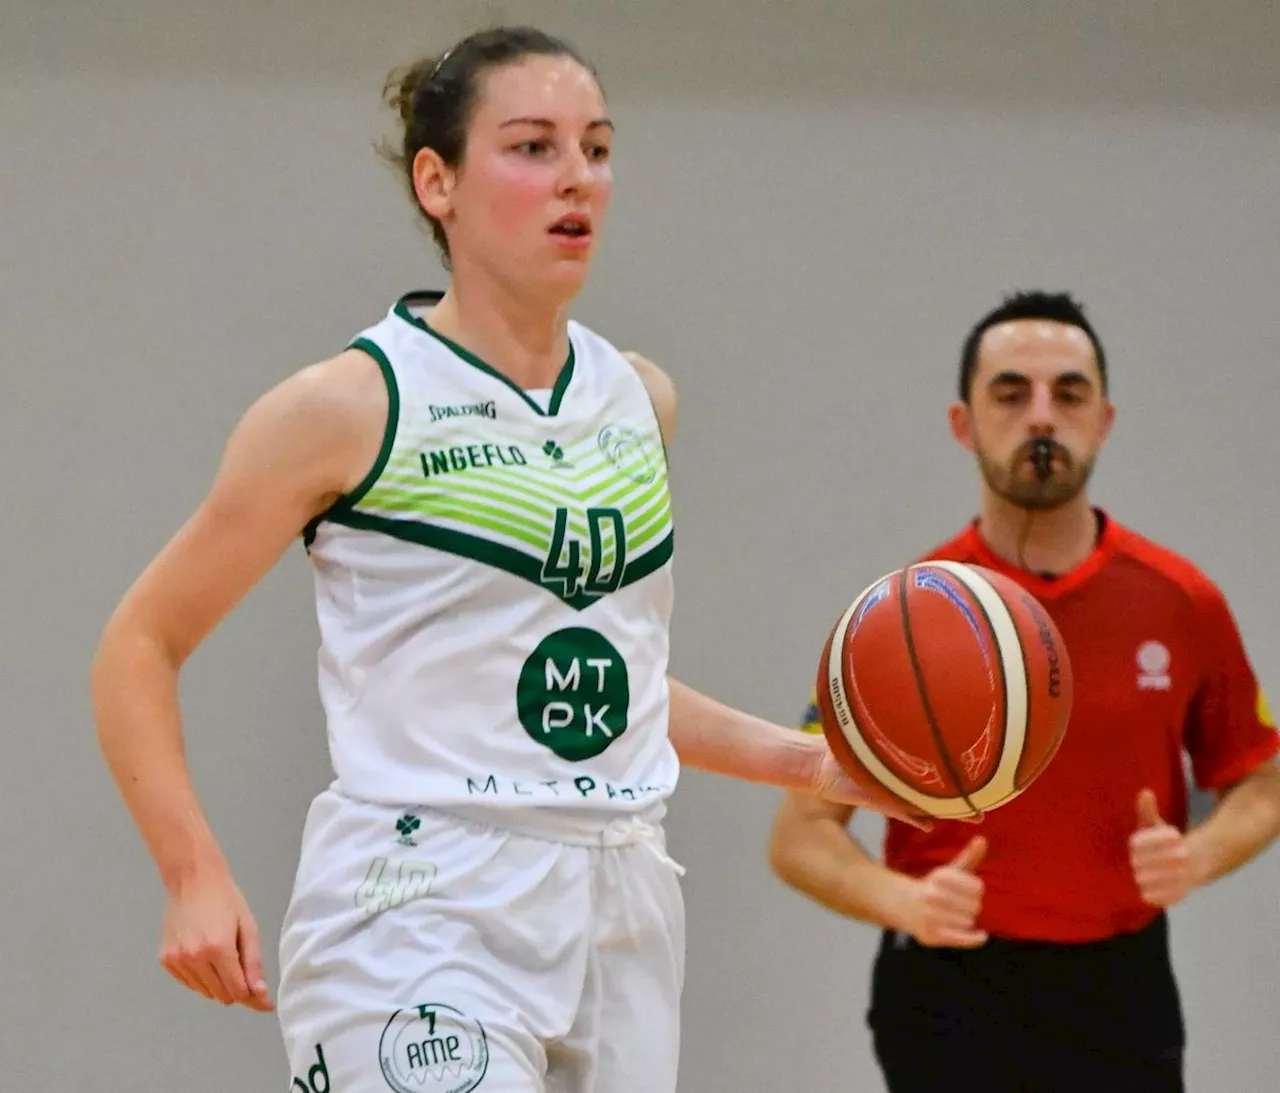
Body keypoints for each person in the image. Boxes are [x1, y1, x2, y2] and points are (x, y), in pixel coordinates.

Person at [90, 25, 916, 1093]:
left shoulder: (635, 399)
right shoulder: (349, 405)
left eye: (597, 147)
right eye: (532, 147)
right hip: (419, 896)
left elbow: (603, 681)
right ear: (436, 181)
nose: (576, 176)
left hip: (621, 894)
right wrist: (191, 872)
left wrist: (802, 761)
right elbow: (138, 642)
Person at [768, 290, 1280, 1093]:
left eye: (1068, 393)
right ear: (962, 423)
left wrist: (1199, 853)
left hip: (1120, 986)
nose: (1042, 415)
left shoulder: (1181, 601)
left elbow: (1262, 782)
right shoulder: (904, 617)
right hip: (952, 985)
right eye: (1011, 393)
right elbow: (799, 835)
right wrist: (903, 901)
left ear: (1104, 419)